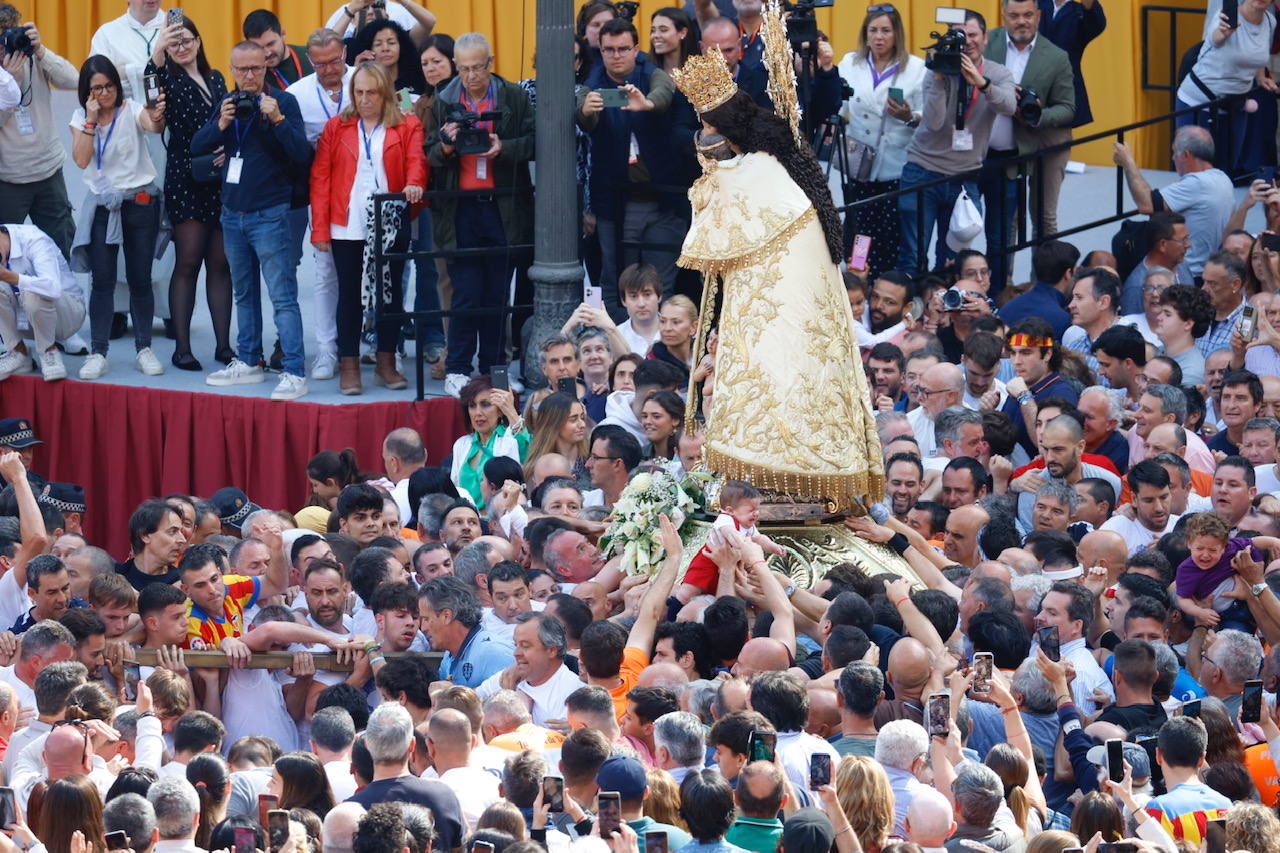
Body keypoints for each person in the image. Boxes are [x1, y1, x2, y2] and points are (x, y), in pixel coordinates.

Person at [671, 41, 882, 514]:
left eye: (707, 127)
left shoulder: (756, 172)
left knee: (779, 377)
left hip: (781, 302)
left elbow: (704, 241)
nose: (702, 139)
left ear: (729, 130)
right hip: (775, 295)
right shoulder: (766, 166)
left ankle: (782, 474)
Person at [191, 40, 312, 401]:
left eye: (255, 68)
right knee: (244, 293)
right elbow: (198, 145)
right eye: (241, 69)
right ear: (232, 70)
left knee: (283, 297)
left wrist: (276, 119)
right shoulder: (227, 102)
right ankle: (248, 360)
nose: (248, 76)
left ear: (265, 67)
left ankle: (294, 370)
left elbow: (302, 155)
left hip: (270, 213)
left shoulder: (284, 102)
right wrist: (221, 123)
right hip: (232, 213)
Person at [428, 32, 534, 398]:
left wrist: (504, 148)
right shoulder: (443, 100)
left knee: (496, 295)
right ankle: (458, 367)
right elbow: (427, 153)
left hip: (501, 207)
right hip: (459, 208)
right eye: (464, 68)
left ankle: (495, 369)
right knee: (465, 294)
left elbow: (535, 141)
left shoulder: (514, 97)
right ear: (456, 66)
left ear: (490, 63)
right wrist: (445, 145)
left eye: (478, 67)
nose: (471, 76)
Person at [310, 60, 425, 395]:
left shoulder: (407, 124)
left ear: (385, 93)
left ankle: (386, 362)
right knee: (349, 295)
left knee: (389, 295)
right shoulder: (337, 127)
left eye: (371, 92)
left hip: (390, 220)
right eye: (358, 92)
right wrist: (319, 229)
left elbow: (416, 160)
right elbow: (321, 178)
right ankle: (349, 365)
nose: (364, 99)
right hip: (346, 223)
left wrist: (415, 183)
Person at [68, 54, 166, 381]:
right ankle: (98, 352)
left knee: (140, 278)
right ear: (87, 91)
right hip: (102, 207)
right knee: (103, 281)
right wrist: (91, 121)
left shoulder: (132, 108)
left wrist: (156, 113)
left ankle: (144, 348)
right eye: (97, 88)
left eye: (109, 85)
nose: (105, 93)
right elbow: (81, 160)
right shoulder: (80, 118)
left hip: (138, 203)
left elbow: (153, 125)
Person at [896, 9, 1016, 272]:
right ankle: (913, 308)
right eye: (960, 36)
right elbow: (934, 123)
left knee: (952, 260)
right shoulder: (937, 71)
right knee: (912, 256)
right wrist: (939, 75)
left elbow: (1009, 105)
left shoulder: (998, 73)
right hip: (922, 171)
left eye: (973, 34)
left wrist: (981, 82)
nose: (968, 41)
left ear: (985, 37)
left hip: (964, 178)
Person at [144, 14, 231, 371]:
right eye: (174, 42)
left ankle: (224, 347)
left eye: (186, 40)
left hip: (220, 176)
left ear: (198, 41)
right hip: (185, 175)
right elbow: (150, 92)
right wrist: (157, 53)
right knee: (188, 262)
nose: (182, 47)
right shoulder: (163, 77)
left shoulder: (216, 77)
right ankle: (182, 348)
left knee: (221, 264)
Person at [577, 16, 677, 319]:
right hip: (614, 201)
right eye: (609, 49)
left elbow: (665, 89)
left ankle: (662, 346)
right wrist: (586, 111)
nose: (616, 55)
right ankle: (620, 351)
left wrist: (646, 104)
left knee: (663, 281)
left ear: (636, 48)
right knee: (614, 279)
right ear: (600, 51)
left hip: (661, 199)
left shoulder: (651, 73)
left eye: (623, 48)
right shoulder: (593, 83)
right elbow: (585, 116)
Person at [980, 0, 1076, 295]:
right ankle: (1002, 285)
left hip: (1044, 141)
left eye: (1027, 15)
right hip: (999, 145)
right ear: (1004, 16)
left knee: (1044, 217)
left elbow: (1068, 108)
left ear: (1038, 16)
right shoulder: (987, 42)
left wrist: (1035, 114)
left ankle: (1044, 286)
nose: (1021, 21)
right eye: (1014, 15)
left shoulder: (1056, 56)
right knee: (1007, 220)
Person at [835, 3, 926, 277]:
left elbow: (928, 116)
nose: (879, 37)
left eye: (886, 30)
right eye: (873, 30)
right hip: (859, 164)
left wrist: (909, 116)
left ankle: (885, 285)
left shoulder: (917, 68)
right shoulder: (851, 63)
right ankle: (859, 282)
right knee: (860, 231)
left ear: (897, 34)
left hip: (895, 164)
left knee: (890, 233)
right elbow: (838, 107)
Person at [284, 28, 354, 384]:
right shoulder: (295, 95)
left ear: (345, 52)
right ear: (310, 61)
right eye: (321, 63)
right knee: (326, 271)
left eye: (336, 60)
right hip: (323, 193)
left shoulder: (367, 80)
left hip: (367, 190)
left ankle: (375, 345)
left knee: (374, 272)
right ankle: (327, 348)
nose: (330, 68)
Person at [0, 11, 78, 258]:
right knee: (7, 257)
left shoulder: (32, 57)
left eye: (13, 32)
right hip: (9, 178)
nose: (8, 42)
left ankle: (61, 298)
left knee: (60, 253)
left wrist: (41, 50)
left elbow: (74, 79)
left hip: (48, 171)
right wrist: (9, 83)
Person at [1113, 127, 1234, 283]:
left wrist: (1128, 162)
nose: (1172, 158)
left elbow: (1146, 204)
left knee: (1124, 239)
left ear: (1186, 155)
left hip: (1186, 272)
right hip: (1206, 264)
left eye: (1174, 152)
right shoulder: (1223, 178)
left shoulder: (1197, 183)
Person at [346, 701, 465, 851]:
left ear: (368, 744)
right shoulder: (443, 795)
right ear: (412, 745)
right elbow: (460, 848)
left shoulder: (350, 811)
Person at [1175, 0, 1275, 171]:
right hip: (1199, 103)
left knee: (1226, 171)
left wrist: (1260, 77)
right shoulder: (1224, 17)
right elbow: (1215, 39)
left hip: (1235, 104)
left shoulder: (1270, 21)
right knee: (1197, 172)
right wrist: (1222, 33)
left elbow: (1258, 51)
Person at [0, 224, 86, 382]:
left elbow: (52, 288)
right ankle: (18, 354)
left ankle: (49, 351)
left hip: (69, 314)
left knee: (33, 290)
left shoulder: (34, 239)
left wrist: (8, 276)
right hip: (28, 319)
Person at [449, 377, 527, 506]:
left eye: (485, 404)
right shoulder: (461, 444)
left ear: (500, 410)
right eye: (472, 405)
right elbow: (454, 489)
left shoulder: (510, 441)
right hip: (466, 520)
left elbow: (526, 454)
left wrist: (511, 411)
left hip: (499, 519)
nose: (477, 413)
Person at [242, 10, 313, 91]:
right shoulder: (249, 75)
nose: (267, 53)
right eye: (259, 48)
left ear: (283, 34)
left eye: (270, 44)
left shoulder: (312, 56)